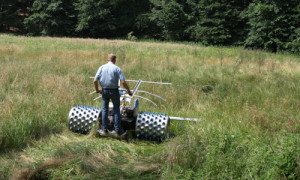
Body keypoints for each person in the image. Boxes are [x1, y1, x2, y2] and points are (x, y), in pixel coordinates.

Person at [94, 54, 132, 137]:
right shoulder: (117, 68)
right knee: (116, 110)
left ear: (107, 60)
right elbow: (123, 82)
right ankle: (118, 130)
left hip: (104, 90)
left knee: (105, 110)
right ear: (115, 60)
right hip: (114, 91)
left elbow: (95, 81)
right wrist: (129, 91)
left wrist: (97, 90)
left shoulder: (101, 67)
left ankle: (105, 130)